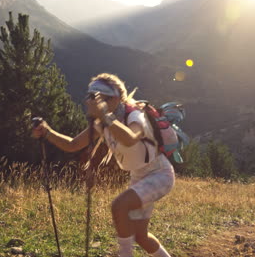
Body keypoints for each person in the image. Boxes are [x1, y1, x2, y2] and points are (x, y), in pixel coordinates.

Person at [32, 73, 174, 257]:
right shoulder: (104, 122)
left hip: (159, 174)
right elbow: (72, 145)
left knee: (119, 206)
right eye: (92, 98)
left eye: (99, 98)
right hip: (139, 176)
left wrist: (104, 115)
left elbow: (130, 138)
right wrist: (48, 132)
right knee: (141, 236)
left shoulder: (135, 115)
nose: (92, 103)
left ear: (115, 99)